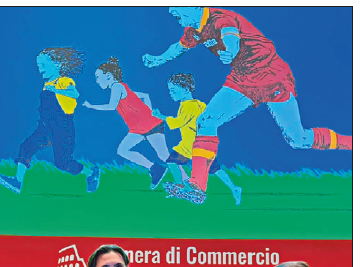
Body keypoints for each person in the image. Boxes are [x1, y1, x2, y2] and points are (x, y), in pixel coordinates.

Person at [143, 7, 352, 205]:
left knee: (298, 139)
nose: (174, 13)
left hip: (270, 76)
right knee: (206, 121)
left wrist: (231, 52)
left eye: (177, 9)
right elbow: (178, 48)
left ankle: (351, 143)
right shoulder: (193, 30)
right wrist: (158, 59)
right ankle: (197, 186)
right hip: (242, 79)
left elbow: (230, 36)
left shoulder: (220, 18)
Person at [0, 47, 100, 195]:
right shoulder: (47, 84)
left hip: (62, 128)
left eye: (43, 65)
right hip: (45, 127)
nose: (40, 68)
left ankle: (91, 173)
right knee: (26, 147)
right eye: (39, 66)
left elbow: (75, 93)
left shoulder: (63, 81)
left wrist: (55, 90)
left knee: (62, 163)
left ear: (57, 64)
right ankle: (17, 181)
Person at [152, 72, 242, 204]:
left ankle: (181, 187)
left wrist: (160, 116)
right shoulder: (199, 104)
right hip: (204, 143)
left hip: (191, 144)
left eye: (173, 90)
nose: (170, 94)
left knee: (172, 161)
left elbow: (178, 122)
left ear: (186, 89)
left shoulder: (189, 106)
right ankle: (234, 188)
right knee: (214, 168)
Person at [83, 57, 170, 190]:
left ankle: (186, 178)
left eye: (98, 77)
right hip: (139, 129)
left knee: (164, 155)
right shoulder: (123, 88)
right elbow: (145, 95)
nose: (97, 81)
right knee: (123, 150)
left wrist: (91, 106)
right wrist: (149, 112)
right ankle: (155, 169)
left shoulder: (117, 86)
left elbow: (112, 106)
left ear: (108, 76)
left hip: (150, 126)